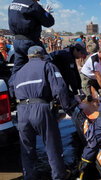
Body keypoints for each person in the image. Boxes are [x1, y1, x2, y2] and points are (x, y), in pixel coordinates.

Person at [12, 46, 77, 180]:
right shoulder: (48, 66)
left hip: (22, 111)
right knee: (52, 145)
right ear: (42, 56)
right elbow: (60, 89)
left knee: (27, 149)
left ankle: (29, 176)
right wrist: (67, 108)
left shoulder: (19, 72)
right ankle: (59, 176)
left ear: (29, 57)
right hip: (40, 108)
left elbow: (12, 91)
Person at [8, 0, 55, 74]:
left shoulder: (13, 3)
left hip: (17, 42)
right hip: (30, 43)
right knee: (47, 65)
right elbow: (49, 22)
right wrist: (45, 12)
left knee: (18, 68)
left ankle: (13, 84)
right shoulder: (33, 5)